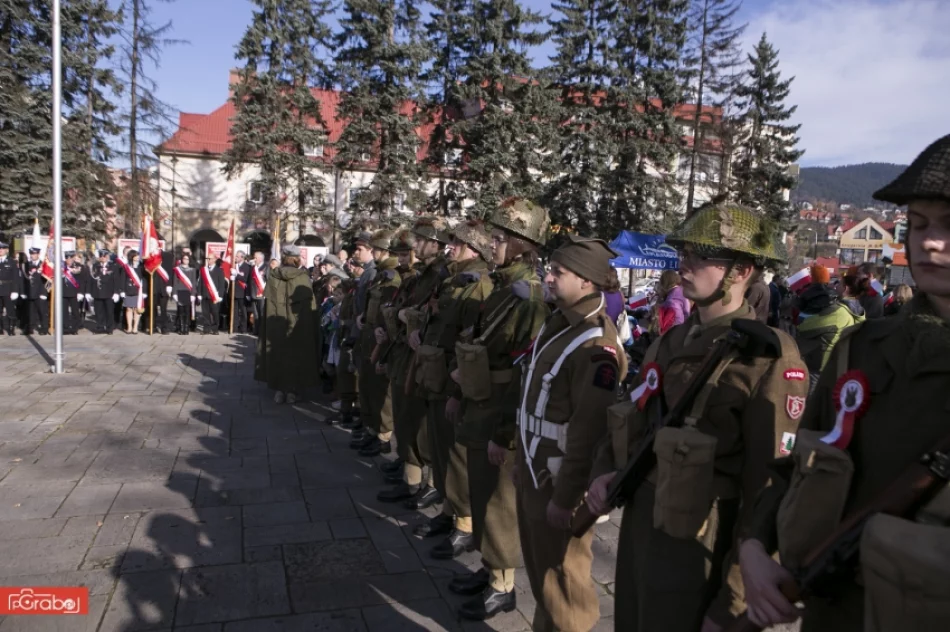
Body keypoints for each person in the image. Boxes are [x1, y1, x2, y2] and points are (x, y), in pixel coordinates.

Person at [739, 134, 950, 632]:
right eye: (918, 226)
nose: (930, 241)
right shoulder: (863, 347)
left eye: (949, 225)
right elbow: (798, 461)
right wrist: (753, 544)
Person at [584, 202, 809, 632]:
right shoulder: (671, 341)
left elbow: (769, 488)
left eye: (700, 256)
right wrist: (604, 471)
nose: (684, 264)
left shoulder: (767, 357)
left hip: (700, 541)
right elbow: (632, 414)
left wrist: (734, 601)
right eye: (684, 253)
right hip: (642, 523)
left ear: (741, 271)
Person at [515, 234, 627, 632]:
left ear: (586, 281)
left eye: (558, 272)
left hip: (558, 479)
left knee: (564, 585)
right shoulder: (560, 323)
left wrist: (565, 498)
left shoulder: (596, 342)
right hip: (535, 468)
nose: (547, 277)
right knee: (544, 576)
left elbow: (589, 430)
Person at [450, 199, 551, 620]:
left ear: (521, 244)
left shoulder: (527, 297)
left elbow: (525, 366)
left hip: (499, 408)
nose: (491, 244)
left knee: (498, 500)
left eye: (499, 238)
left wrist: (507, 428)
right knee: (480, 488)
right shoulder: (504, 288)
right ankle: (490, 566)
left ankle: (503, 584)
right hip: (480, 400)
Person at [411, 221, 495, 562]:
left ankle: (463, 523)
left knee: (457, 456)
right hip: (437, 373)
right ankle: (449, 511)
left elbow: (471, 338)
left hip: (453, 377)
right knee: (441, 449)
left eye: (457, 244)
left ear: (473, 250)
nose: (450, 248)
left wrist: (457, 386)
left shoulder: (477, 285)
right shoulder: (456, 281)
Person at [376, 218, 449, 512]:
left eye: (420, 240)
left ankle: (423, 484)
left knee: (421, 425)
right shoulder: (424, 274)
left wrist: (410, 316)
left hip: (424, 358)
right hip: (408, 354)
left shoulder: (440, 275)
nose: (414, 245)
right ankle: (412, 479)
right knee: (408, 420)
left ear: (435, 243)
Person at [254, 245, 320, 404]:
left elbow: (268, 304)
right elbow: (310, 307)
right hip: (297, 325)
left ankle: (279, 390)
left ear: (283, 259)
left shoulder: (273, 277)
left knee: (277, 354)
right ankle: (292, 391)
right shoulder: (303, 278)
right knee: (295, 356)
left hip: (275, 324)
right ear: (297, 259)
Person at [793, 263, 864, 391]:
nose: (836, 286)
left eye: (840, 284)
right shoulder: (859, 311)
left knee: (811, 401)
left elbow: (806, 327)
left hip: (823, 362)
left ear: (846, 289)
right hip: (840, 363)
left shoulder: (839, 312)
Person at [116, 249, 146, 334]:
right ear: (131, 257)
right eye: (135, 256)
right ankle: (129, 327)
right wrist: (122, 290)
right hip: (128, 290)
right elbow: (122, 279)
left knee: (137, 310)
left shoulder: (141, 267)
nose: (137, 258)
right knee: (128, 309)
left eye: (137, 256)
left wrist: (144, 291)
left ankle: (135, 327)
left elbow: (144, 279)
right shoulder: (126, 267)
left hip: (138, 291)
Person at [651, 269, 689, 335]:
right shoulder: (681, 290)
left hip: (676, 336)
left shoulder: (671, 300)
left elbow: (677, 322)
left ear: (664, 283)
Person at [198, 254, 227, 335]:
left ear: (214, 259)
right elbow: (200, 282)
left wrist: (220, 295)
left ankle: (215, 329)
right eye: (207, 258)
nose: (208, 260)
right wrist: (199, 293)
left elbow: (221, 284)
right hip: (205, 294)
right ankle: (206, 328)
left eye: (210, 258)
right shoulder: (203, 270)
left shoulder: (219, 270)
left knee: (215, 312)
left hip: (214, 295)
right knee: (205, 313)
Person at [90, 249, 118, 334]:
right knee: (98, 311)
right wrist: (89, 292)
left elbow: (116, 279)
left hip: (109, 292)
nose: (103, 258)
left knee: (109, 312)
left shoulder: (113, 266)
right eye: (101, 256)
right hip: (97, 292)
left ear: (107, 257)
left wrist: (116, 292)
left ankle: (110, 328)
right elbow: (91, 279)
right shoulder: (95, 266)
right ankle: (100, 327)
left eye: (104, 256)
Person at [24, 247, 49, 335]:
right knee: (31, 312)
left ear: (38, 254)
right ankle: (30, 328)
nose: (32, 255)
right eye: (31, 254)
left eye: (34, 254)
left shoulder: (44, 265)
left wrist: (45, 292)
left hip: (40, 292)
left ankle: (44, 328)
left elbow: (49, 280)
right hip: (30, 292)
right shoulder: (27, 264)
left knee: (42, 312)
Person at [172, 254, 198, 335]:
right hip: (180, 292)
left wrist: (193, 294)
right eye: (184, 258)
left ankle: (186, 328)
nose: (185, 260)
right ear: (182, 259)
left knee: (187, 311)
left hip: (188, 292)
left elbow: (194, 282)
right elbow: (175, 282)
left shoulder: (193, 270)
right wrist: (174, 293)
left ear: (189, 260)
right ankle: (180, 328)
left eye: (187, 259)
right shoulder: (177, 269)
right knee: (180, 311)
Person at [0, 241, 22, 335]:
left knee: (10, 310)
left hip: (8, 289)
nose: (0, 250)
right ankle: (0, 328)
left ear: (7, 250)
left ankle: (11, 328)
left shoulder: (11, 262)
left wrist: (15, 291)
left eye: (2, 249)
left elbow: (16, 277)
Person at [61, 251, 84, 334]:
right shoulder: (61, 266)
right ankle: (65, 328)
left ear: (73, 258)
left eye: (70, 258)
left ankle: (74, 328)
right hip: (63, 292)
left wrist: (81, 292)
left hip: (75, 292)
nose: (68, 260)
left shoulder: (78, 267)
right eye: (67, 258)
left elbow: (82, 280)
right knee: (64, 312)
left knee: (75, 312)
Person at [247, 251, 268, 335]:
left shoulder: (266, 267)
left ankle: (262, 331)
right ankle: (256, 331)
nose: (254, 259)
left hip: (262, 295)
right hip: (253, 294)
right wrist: (248, 293)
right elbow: (249, 281)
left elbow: (269, 281)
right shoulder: (253, 268)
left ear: (260, 258)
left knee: (261, 314)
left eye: (255, 257)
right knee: (255, 314)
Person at [230, 250, 249, 333]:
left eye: (237, 256)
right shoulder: (234, 266)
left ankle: (243, 328)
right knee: (234, 312)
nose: (236, 258)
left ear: (242, 257)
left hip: (242, 292)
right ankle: (234, 328)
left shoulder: (246, 267)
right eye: (236, 256)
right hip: (234, 292)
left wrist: (236, 275)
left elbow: (245, 279)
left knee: (243, 312)